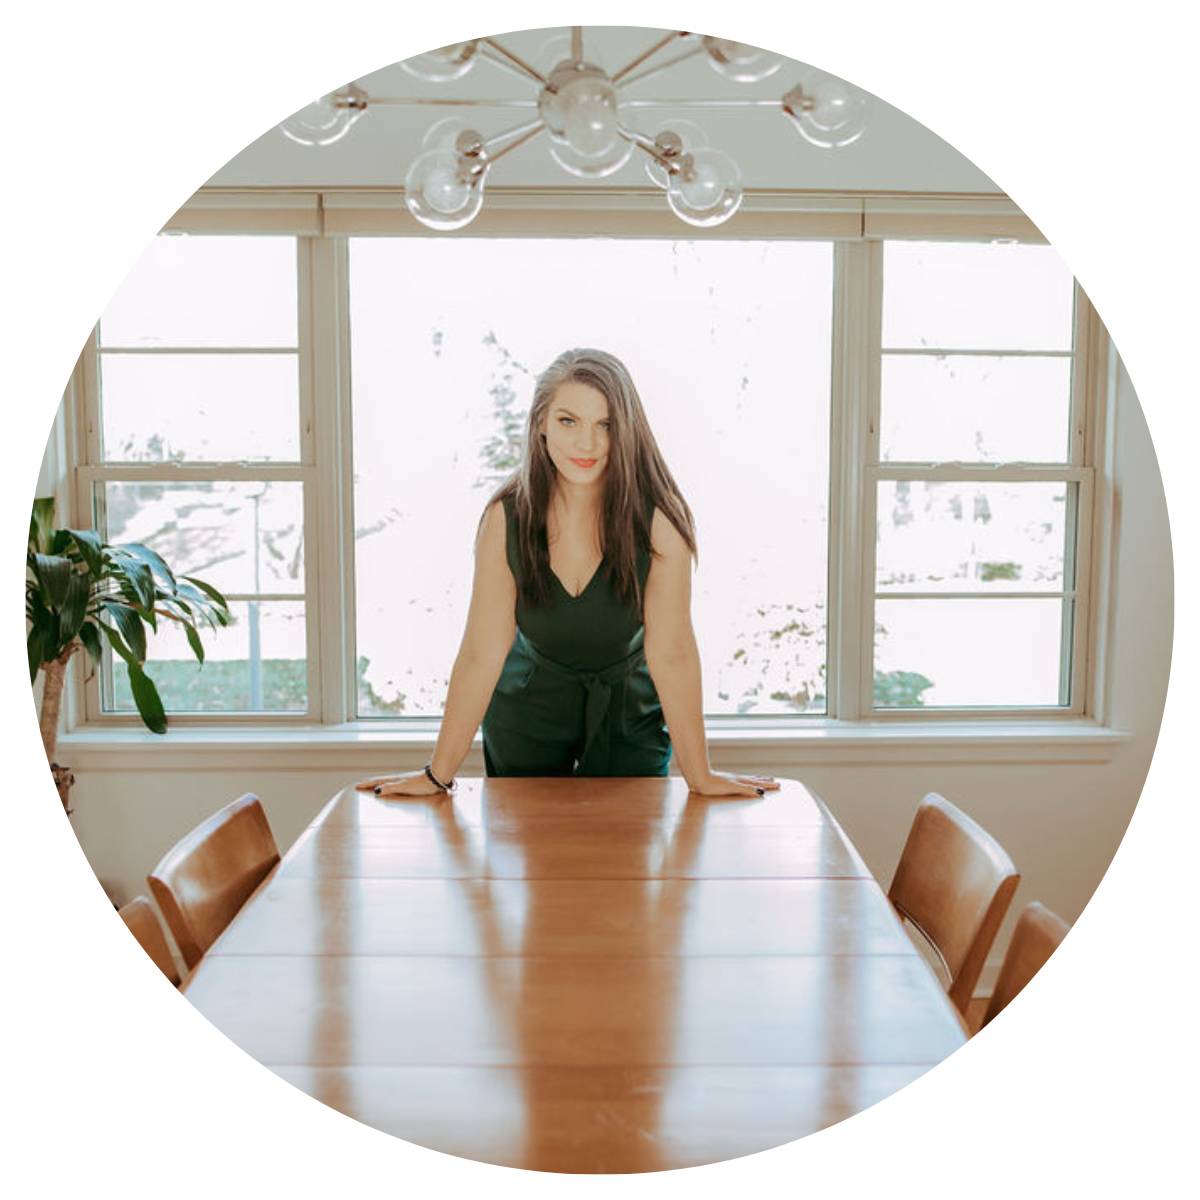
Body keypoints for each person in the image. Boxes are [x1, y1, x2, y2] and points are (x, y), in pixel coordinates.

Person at [356, 347, 779, 799]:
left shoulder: (660, 523)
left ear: (627, 431)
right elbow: (481, 653)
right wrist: (437, 776)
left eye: (606, 425)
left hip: (627, 717)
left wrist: (701, 777)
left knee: (629, 864)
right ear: (540, 423)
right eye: (567, 421)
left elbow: (672, 653)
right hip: (525, 717)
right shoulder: (505, 519)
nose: (587, 444)